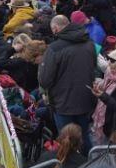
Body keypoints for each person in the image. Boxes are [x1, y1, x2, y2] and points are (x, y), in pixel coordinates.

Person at [38, 15, 97, 145]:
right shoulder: (89, 43)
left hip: (63, 104)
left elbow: (45, 80)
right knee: (84, 137)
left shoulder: (54, 49)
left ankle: (70, 164)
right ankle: (87, 163)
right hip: (86, 100)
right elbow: (94, 67)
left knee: (66, 141)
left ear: (55, 29)